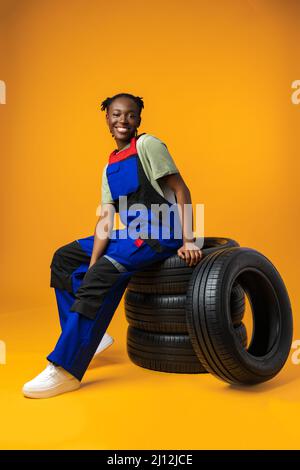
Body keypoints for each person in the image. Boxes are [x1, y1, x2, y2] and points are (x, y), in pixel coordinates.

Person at [22, 93, 203, 399]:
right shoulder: (109, 167)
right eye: (116, 115)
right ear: (107, 119)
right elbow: (106, 217)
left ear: (138, 120)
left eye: (130, 115)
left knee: (102, 274)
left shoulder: (148, 145)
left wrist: (189, 239)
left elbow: (180, 188)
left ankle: (66, 369)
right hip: (130, 233)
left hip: (159, 235)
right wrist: (92, 261)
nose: (123, 121)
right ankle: (91, 338)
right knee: (65, 259)